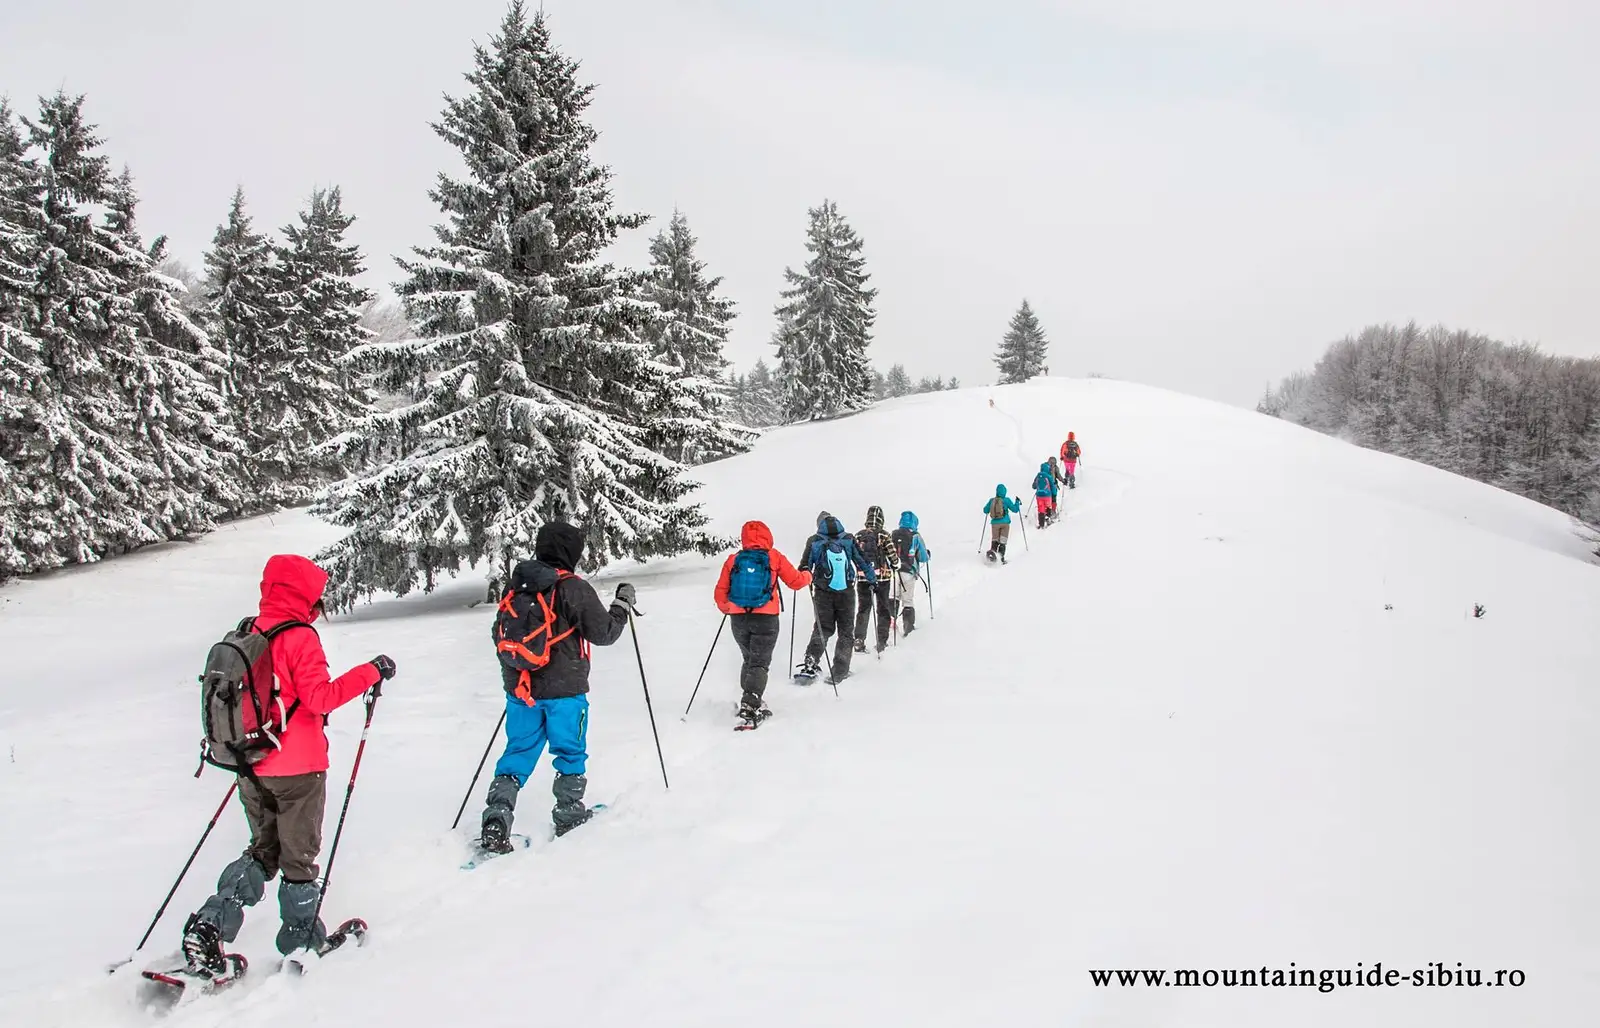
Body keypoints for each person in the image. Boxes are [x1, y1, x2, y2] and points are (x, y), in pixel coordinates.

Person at [180, 555, 395, 973]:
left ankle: (210, 923)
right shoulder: (300, 636)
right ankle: (302, 942)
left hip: (250, 763)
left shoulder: (248, 630)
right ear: (305, 594)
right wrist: (371, 671)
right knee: (298, 860)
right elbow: (320, 699)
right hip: (298, 767)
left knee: (262, 851)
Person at [479, 522, 634, 853]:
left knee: (517, 753)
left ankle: (497, 817)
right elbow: (604, 634)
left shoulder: (516, 586)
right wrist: (621, 605)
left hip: (522, 690)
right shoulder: (573, 588)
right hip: (565, 690)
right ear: (571, 552)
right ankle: (569, 813)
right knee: (570, 751)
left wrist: (520, 673)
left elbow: (499, 635)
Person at [714, 521, 812, 725]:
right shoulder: (773, 556)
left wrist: (729, 608)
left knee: (749, 659)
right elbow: (795, 582)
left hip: (738, 618)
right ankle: (750, 705)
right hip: (766, 618)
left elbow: (720, 592)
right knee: (759, 662)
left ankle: (749, 698)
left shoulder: (734, 560)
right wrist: (808, 576)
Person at [796, 515, 876, 683]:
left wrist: (803, 580)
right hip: (846, 592)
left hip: (822, 592)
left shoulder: (814, 541)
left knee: (822, 628)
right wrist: (872, 580)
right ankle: (840, 670)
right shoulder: (848, 539)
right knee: (846, 631)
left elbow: (805, 566)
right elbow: (862, 561)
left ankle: (811, 660)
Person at [851, 506, 901, 654]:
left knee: (863, 609)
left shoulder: (858, 536)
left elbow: (854, 556)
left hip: (863, 578)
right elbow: (894, 559)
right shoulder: (884, 536)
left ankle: (859, 639)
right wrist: (895, 564)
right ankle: (882, 642)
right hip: (882, 578)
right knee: (883, 609)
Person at [890, 511, 932, 635]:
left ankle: (890, 623)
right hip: (909, 571)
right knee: (907, 601)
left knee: (893, 597)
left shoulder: (893, 534)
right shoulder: (915, 536)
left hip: (894, 571)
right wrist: (927, 554)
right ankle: (908, 629)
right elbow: (923, 557)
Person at [982, 484, 1022, 563]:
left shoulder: (992, 500)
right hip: (1005, 523)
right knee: (1003, 541)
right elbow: (1015, 509)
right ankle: (1001, 559)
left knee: (995, 540)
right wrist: (1017, 502)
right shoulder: (1006, 500)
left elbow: (985, 510)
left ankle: (992, 555)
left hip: (994, 524)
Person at [1032, 461, 1059, 529]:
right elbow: (1052, 486)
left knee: (1041, 509)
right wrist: (1054, 494)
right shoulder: (1049, 476)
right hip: (1047, 496)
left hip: (1039, 496)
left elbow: (1034, 486)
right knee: (1048, 507)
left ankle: (1041, 524)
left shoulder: (1038, 475)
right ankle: (1048, 519)